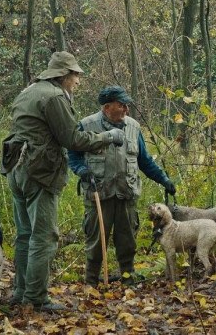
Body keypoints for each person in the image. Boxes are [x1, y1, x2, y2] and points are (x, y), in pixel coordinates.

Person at [0, 51, 125, 312]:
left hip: (16, 169)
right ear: (63, 75)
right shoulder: (55, 96)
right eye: (76, 75)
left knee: (25, 235)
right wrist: (108, 137)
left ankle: (21, 292)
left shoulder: (29, 90)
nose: (78, 81)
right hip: (39, 172)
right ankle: (35, 299)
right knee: (44, 236)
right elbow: (73, 140)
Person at [68, 86, 176, 287]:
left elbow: (144, 161)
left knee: (127, 242)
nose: (127, 109)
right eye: (122, 105)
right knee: (96, 242)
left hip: (126, 194)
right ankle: (91, 283)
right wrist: (82, 170)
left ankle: (128, 280)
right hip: (98, 194)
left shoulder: (133, 127)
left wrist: (164, 179)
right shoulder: (86, 125)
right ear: (107, 107)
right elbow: (73, 156)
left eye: (127, 105)